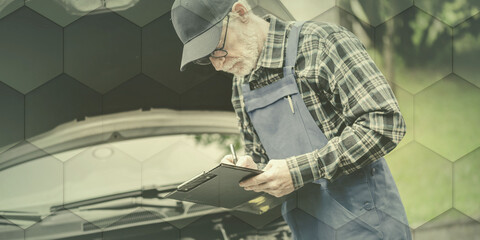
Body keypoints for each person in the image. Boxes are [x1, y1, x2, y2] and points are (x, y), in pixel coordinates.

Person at [171, 0, 412, 239]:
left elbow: (384, 123)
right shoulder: (241, 84)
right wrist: (251, 173)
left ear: (241, 12)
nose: (218, 64)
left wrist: (300, 171)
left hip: (367, 226)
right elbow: (265, 163)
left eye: (217, 48)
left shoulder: (323, 43)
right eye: (206, 58)